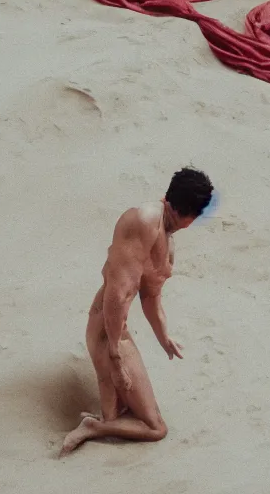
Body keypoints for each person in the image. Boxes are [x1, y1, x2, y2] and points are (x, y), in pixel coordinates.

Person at [60, 167, 214, 456]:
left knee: (117, 414)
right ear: (190, 215)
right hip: (110, 330)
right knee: (156, 428)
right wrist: (116, 358)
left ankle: (104, 420)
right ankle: (93, 428)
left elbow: (150, 295)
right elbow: (118, 295)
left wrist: (164, 336)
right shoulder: (143, 221)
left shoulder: (165, 235)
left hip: (112, 329)